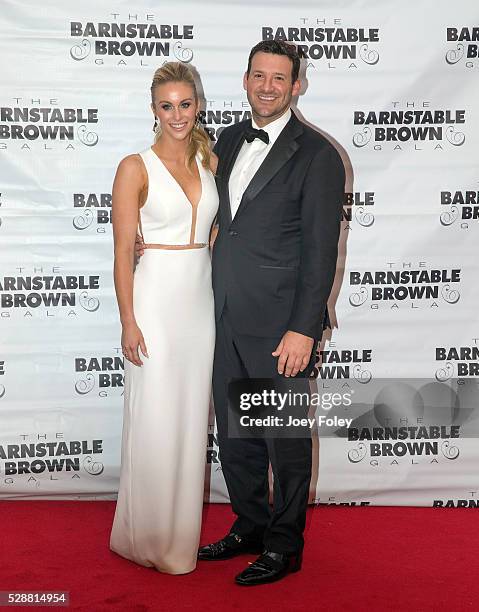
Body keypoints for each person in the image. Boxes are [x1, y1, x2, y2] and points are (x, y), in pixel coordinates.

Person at [197, 40, 345, 585]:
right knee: (235, 435)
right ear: (244, 79)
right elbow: (211, 221)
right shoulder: (225, 141)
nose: (267, 86)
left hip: (282, 325)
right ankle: (250, 525)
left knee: (284, 442)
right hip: (221, 315)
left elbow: (321, 251)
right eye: (258, 75)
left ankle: (284, 545)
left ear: (297, 85)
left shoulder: (318, 156)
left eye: (279, 78)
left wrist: (304, 328)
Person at [109, 62, 218, 574]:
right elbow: (122, 253)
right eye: (166, 105)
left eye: (185, 104)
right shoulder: (135, 167)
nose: (177, 114)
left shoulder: (209, 159)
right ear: (153, 109)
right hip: (154, 302)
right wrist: (129, 321)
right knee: (154, 419)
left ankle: (179, 536)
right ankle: (147, 538)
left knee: (191, 418)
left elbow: (213, 230)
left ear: (198, 104)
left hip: (200, 303)